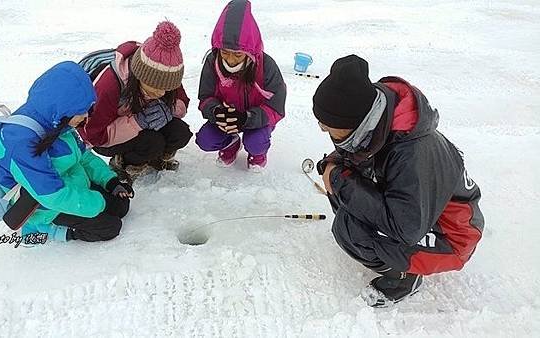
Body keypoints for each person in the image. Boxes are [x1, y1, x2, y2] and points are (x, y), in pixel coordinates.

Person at [313, 55, 484, 307]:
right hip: (422, 212)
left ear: (357, 124)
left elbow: (405, 228)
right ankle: (392, 257)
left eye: (328, 126)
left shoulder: (412, 153)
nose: (322, 129)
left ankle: (404, 279)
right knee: (342, 181)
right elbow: (361, 155)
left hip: (452, 236)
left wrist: (340, 181)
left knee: (350, 229)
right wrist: (336, 169)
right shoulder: (378, 120)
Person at [0, 61, 134, 242]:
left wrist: (111, 182)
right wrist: (98, 202)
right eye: (82, 111)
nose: (86, 117)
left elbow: (84, 156)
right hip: (44, 206)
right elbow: (53, 196)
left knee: (121, 205)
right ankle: (44, 230)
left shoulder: (56, 121)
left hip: (70, 182)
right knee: (110, 227)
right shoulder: (21, 143)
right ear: (63, 108)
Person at [77, 21, 192, 181]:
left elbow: (182, 101)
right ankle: (124, 163)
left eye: (166, 87)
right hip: (105, 136)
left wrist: (168, 109)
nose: (160, 93)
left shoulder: (166, 70)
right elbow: (94, 136)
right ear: (139, 75)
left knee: (180, 133)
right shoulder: (109, 84)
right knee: (152, 142)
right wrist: (138, 122)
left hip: (134, 124)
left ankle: (154, 158)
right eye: (153, 85)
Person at [195, 0, 286, 171]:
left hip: (255, 119)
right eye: (225, 52)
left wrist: (246, 118)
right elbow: (205, 97)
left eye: (237, 54)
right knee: (205, 139)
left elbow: (276, 108)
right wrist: (217, 112)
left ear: (249, 51)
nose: (230, 60)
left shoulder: (266, 66)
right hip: (226, 120)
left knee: (256, 141)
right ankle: (230, 143)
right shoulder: (212, 62)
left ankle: (258, 154)